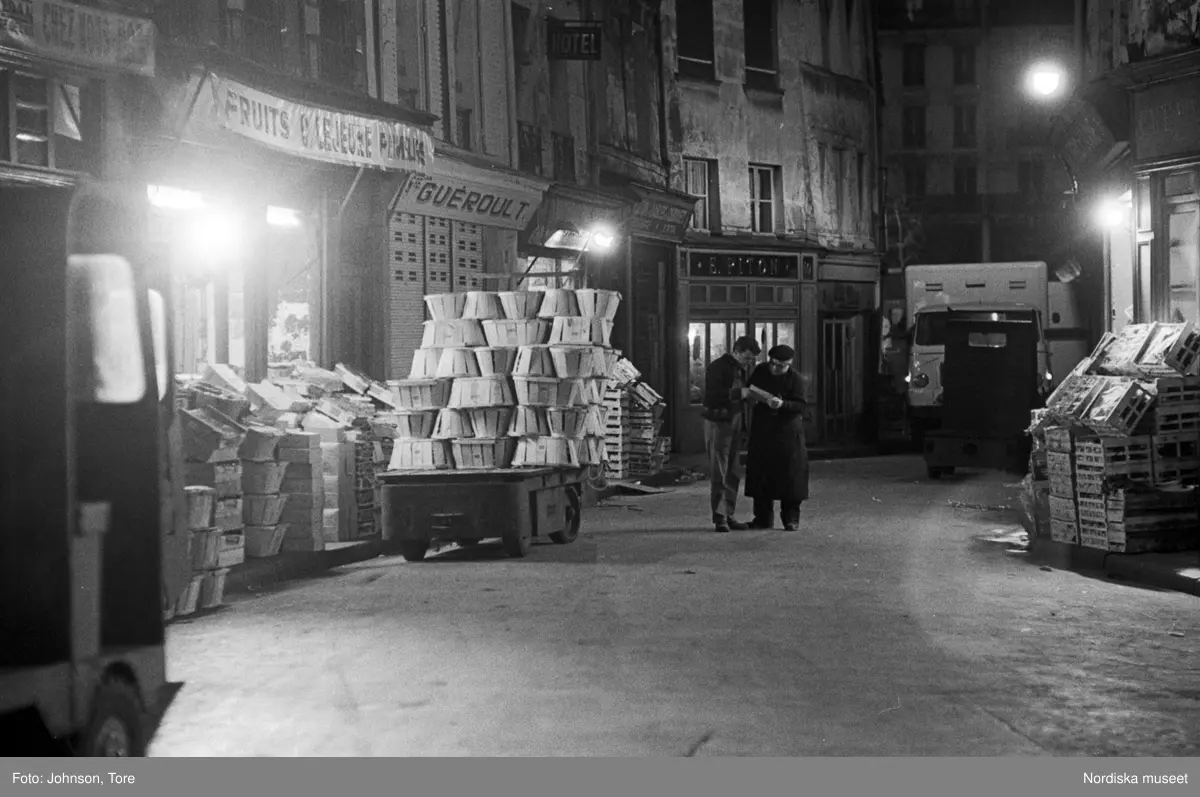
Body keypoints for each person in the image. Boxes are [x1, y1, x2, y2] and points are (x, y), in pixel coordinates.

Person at [744, 345, 809, 531]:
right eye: (773, 364)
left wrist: (782, 404)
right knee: (761, 474)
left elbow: (801, 405)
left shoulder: (796, 380)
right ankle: (763, 518)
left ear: (789, 365)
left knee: (790, 476)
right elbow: (750, 388)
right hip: (763, 429)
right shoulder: (761, 371)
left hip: (787, 432)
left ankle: (791, 518)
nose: (775, 369)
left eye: (780, 366)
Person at [701, 335, 761, 533]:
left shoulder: (739, 369)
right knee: (720, 470)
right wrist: (739, 393)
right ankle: (720, 517)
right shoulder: (718, 367)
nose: (750, 362)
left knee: (733, 470)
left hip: (735, 421)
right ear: (737, 351)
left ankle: (728, 513)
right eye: (747, 357)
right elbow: (710, 396)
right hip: (719, 422)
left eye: (752, 359)